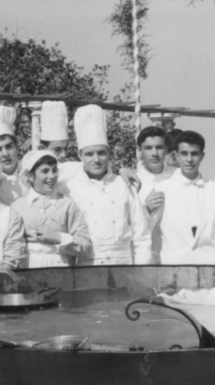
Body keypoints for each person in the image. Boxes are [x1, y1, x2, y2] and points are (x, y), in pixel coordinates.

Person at [60, 105, 151, 265]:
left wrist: (141, 270)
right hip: (85, 264)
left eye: (101, 153)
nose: (96, 159)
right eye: (89, 154)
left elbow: (141, 233)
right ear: (80, 155)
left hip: (123, 263)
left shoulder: (124, 184)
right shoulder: (70, 188)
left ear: (109, 153)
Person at [156, 131, 215, 264]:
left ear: (202, 156)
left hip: (209, 265)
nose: (189, 159)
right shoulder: (163, 188)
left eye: (194, 154)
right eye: (184, 153)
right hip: (173, 265)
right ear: (176, 155)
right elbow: (151, 232)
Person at [11, 150, 91, 267]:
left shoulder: (67, 204)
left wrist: (59, 237)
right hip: (28, 270)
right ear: (30, 176)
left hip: (61, 270)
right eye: (45, 171)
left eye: (54, 170)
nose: (52, 176)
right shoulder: (18, 206)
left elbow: (85, 247)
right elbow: (12, 245)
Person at [135, 126, 176, 263]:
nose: (154, 153)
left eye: (159, 147)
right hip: (147, 257)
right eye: (148, 148)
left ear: (166, 149)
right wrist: (145, 208)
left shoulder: (179, 177)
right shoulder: (132, 183)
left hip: (177, 255)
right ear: (139, 151)